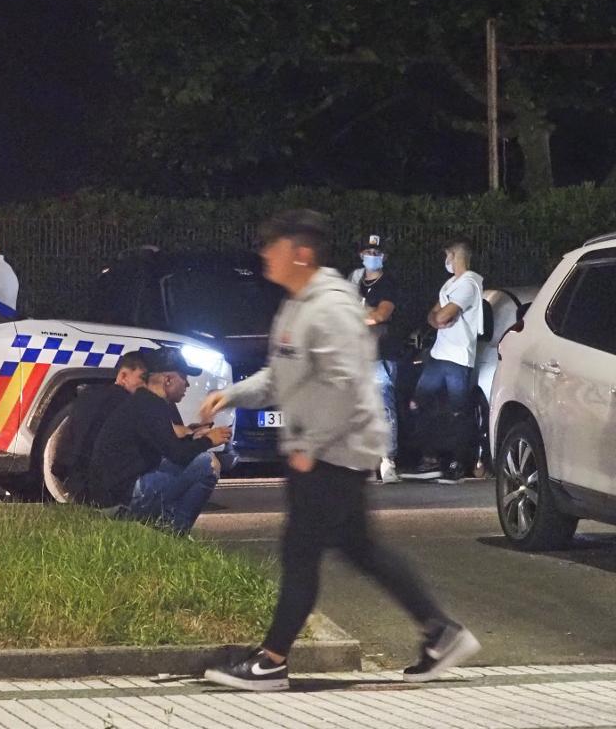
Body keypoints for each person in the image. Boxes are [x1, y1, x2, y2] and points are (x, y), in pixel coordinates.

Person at [199, 209, 479, 692]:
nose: (265, 254)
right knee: (359, 547)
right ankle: (440, 632)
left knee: (300, 549)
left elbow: (344, 384)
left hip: (337, 450)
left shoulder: (330, 307)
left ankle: (271, 661)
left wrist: (309, 443)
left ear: (301, 253)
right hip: (328, 448)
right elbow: (284, 373)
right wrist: (235, 394)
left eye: (274, 245)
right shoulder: (298, 303)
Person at [88, 348, 231, 535]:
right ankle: (175, 532)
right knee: (206, 464)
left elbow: (167, 444)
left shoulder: (144, 401)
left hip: (112, 493)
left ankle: (166, 522)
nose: (187, 384)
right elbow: (177, 455)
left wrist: (192, 436)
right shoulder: (150, 405)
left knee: (188, 462)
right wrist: (207, 441)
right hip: (121, 498)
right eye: (184, 377)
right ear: (168, 380)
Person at [401, 238, 484, 484]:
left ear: (454, 255)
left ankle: (457, 464)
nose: (445, 261)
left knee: (458, 412)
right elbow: (433, 316)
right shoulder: (450, 284)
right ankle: (430, 460)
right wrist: (438, 317)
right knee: (418, 404)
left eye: (447, 256)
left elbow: (444, 315)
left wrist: (439, 316)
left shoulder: (469, 284)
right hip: (438, 355)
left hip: (458, 358)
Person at [52, 351, 149, 503]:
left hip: (71, 482)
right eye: (143, 379)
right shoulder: (127, 404)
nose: (146, 385)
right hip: (101, 491)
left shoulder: (89, 394)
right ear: (123, 376)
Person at [348, 234, 401, 483]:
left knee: (384, 409)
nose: (372, 257)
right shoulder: (355, 282)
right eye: (368, 253)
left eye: (376, 253)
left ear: (384, 257)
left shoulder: (388, 283)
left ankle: (387, 460)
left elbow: (380, 315)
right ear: (361, 255)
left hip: (381, 355)